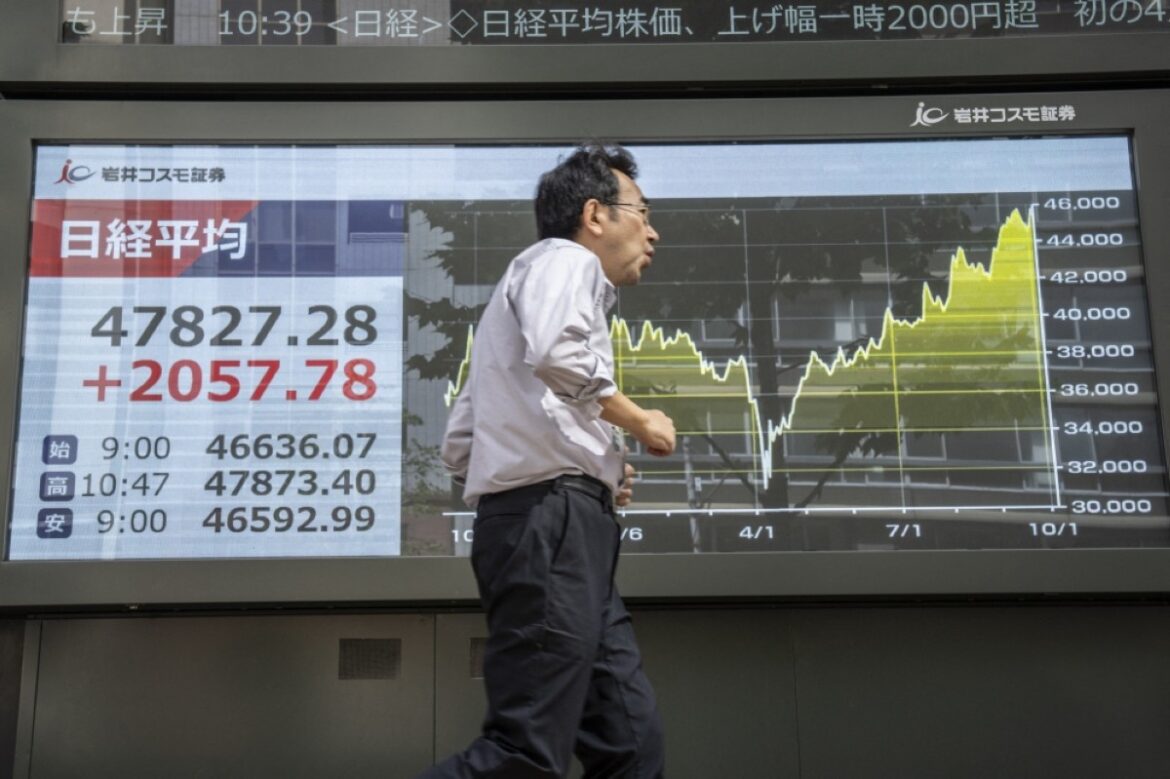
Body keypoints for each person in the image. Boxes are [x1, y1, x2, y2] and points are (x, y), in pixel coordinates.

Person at [423, 143, 676, 778]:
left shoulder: (524, 286)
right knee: (524, 753)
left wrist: (590, 467)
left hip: (554, 523)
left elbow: (461, 442)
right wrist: (638, 421)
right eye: (641, 212)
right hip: (550, 527)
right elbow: (562, 357)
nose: (653, 230)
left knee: (630, 745)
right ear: (595, 215)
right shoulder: (565, 259)